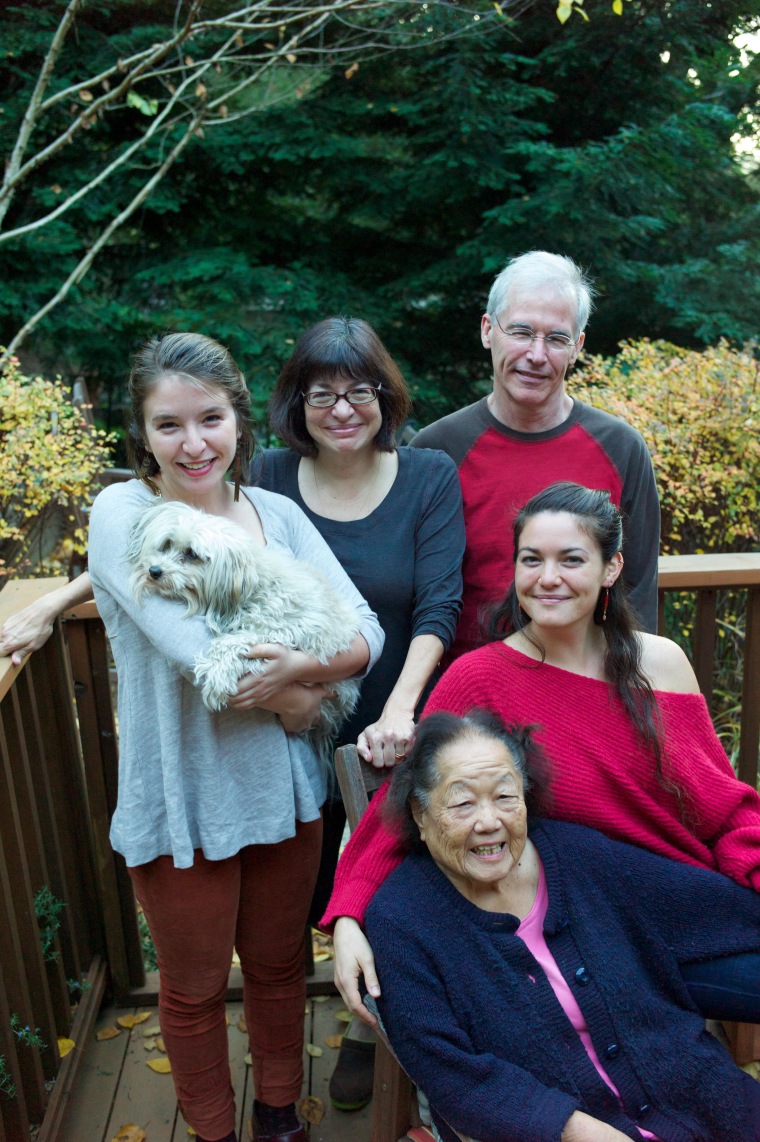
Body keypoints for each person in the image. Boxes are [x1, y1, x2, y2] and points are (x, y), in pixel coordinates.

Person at [85, 332, 385, 1142]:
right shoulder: (125, 516)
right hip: (179, 797)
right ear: (141, 433)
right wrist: (307, 700)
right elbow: (201, 659)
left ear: (238, 420)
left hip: (286, 796)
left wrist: (303, 685)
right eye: (169, 424)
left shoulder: (277, 514)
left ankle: (280, 1115)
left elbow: (367, 630)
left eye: (209, 419)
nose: (194, 443)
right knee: (190, 990)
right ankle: (215, 1131)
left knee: (284, 969)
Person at [323, 483, 760, 1027]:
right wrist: (348, 916)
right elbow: (407, 805)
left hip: (692, 901)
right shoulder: (480, 678)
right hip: (597, 937)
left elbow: (723, 805)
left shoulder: (661, 663)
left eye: (571, 559)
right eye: (532, 560)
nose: (547, 578)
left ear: (610, 568)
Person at [365, 710, 760, 1142]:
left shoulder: (577, 855)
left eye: (504, 797)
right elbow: (452, 1075)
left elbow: (705, 903)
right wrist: (577, 1130)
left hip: (696, 1094)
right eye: (462, 803)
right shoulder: (401, 920)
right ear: (420, 814)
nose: (489, 822)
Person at [253, 316, 465, 1109]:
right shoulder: (267, 474)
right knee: (308, 886)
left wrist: (402, 713)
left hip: (393, 718)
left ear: (385, 395)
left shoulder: (427, 476)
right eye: (321, 393)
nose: (342, 409)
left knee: (391, 879)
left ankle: (364, 1030)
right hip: (286, 719)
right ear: (295, 402)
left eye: (359, 391)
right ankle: (335, 1006)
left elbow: (440, 605)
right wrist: (65, 595)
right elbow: (182, 537)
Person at [410, 250, 660, 657]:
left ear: (577, 347)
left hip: (585, 686)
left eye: (557, 339)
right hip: (464, 695)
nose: (537, 354)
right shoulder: (436, 450)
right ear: (488, 330)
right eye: (521, 332)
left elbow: (639, 595)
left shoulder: (621, 448)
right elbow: (414, 596)